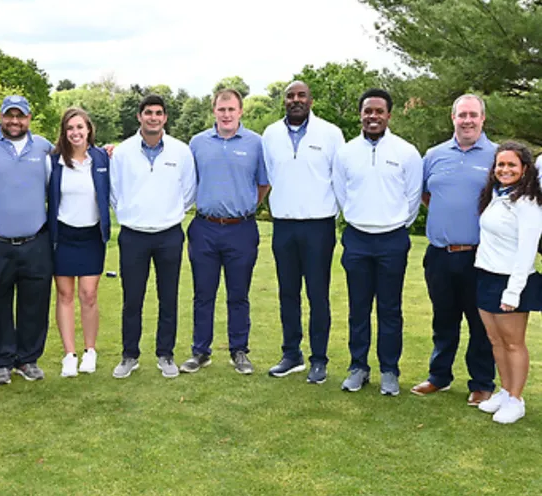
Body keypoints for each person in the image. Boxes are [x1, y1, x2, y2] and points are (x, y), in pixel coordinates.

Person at [332, 88, 422, 396]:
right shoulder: (345, 152)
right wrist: (360, 218)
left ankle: (389, 370)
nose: (372, 116)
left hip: (392, 239)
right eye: (367, 111)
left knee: (390, 308)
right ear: (360, 114)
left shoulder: (406, 152)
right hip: (357, 238)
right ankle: (358, 367)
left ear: (388, 116)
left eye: (378, 112)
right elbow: (341, 193)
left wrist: (395, 224)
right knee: (358, 307)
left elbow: (412, 198)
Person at [411, 95, 496, 405]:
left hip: (480, 256)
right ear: (453, 118)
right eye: (462, 115)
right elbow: (424, 194)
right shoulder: (433, 155)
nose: (468, 120)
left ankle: (482, 382)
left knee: (480, 322)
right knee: (443, 319)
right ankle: (439, 377)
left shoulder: (496, 155)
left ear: (483, 119)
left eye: (473, 115)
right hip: (440, 254)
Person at [178, 89, 269, 376]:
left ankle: (239, 351)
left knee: (238, 294)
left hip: (241, 229)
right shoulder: (198, 143)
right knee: (203, 293)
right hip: (204, 227)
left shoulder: (256, 143)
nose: (226, 114)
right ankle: (200, 351)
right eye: (221, 109)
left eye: (231, 109)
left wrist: (243, 207)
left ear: (240, 111)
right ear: (214, 111)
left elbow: (263, 184)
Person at [262, 81, 345, 384]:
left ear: (311, 101)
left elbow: (341, 178)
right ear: (284, 101)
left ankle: (319, 359)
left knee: (317, 294)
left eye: (301, 96)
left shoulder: (331, 133)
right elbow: (267, 176)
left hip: (318, 226)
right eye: (290, 96)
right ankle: (291, 354)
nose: (295, 100)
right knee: (287, 293)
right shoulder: (270, 134)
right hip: (283, 225)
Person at [110, 94, 196, 379]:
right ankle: (129, 355)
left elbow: (188, 192)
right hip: (133, 235)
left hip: (169, 234)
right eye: (148, 112)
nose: (153, 117)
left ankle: (165, 354)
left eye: (159, 113)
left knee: (168, 297)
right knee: (132, 299)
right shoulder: (122, 152)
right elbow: (114, 192)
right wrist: (133, 213)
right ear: (139, 116)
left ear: (165, 118)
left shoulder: (181, 151)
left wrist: (168, 214)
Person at [0, 95, 53, 386]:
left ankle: (27, 360)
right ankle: (1, 361)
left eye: (21, 116)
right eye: (10, 115)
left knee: (35, 303)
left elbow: (77, 156)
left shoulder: (43, 147)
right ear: (1, 115)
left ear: (30, 118)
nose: (15, 121)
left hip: (35, 241)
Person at [474, 142, 542, 424]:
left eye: (512, 164)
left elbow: (527, 250)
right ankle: (504, 390)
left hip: (512, 281)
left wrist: (513, 292)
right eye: (500, 164)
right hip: (486, 275)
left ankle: (516, 399)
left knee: (513, 343)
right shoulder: (496, 195)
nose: (505, 169)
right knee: (495, 341)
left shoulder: (528, 203)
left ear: (525, 169)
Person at [47, 107, 111, 377]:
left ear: (88, 130)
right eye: (70, 128)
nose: (75, 133)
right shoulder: (53, 161)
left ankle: (90, 351)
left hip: (91, 235)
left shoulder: (101, 157)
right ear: (64, 132)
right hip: (63, 236)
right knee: (65, 295)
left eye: (80, 127)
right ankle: (69, 355)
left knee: (89, 295)